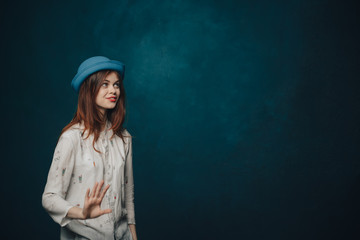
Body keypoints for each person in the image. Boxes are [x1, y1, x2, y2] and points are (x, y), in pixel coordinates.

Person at [42, 56, 138, 240]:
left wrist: (133, 236)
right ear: (89, 89)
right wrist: (81, 212)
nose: (113, 90)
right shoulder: (71, 138)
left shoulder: (124, 138)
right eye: (105, 84)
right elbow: (49, 197)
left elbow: (128, 194)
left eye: (116, 85)